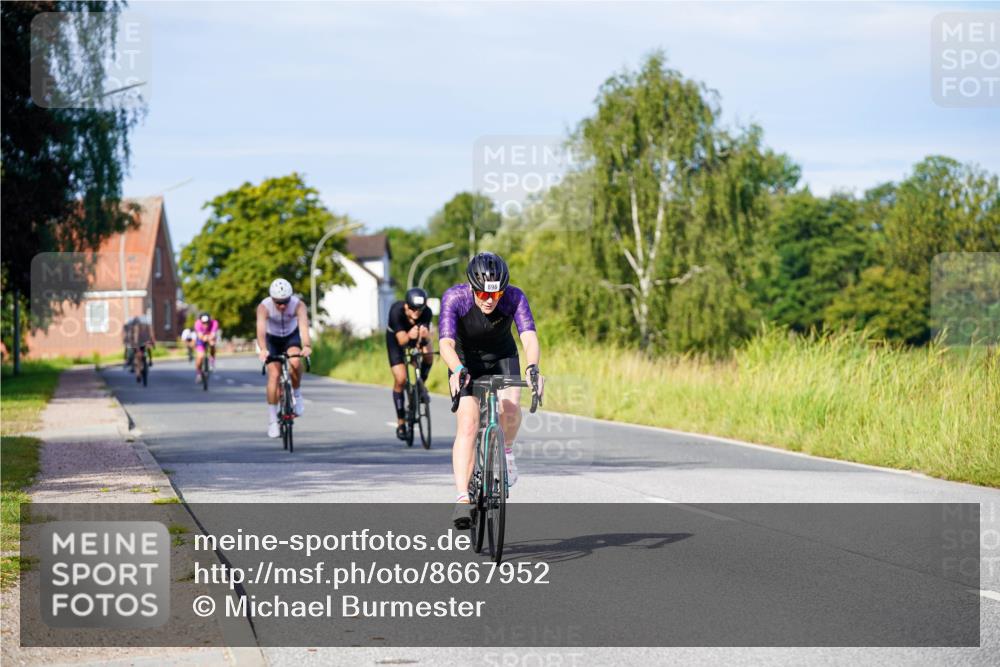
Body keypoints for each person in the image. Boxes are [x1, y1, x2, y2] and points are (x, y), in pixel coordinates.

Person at [438, 252, 543, 528]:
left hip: (501, 356)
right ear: (471, 287)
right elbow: (445, 344)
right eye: (482, 294)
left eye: (494, 295)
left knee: (509, 408)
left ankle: (506, 452)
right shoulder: (454, 298)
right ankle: (463, 498)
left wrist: (532, 367)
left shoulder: (514, 297)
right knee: (469, 424)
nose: (488, 300)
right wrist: (458, 370)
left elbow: (529, 337)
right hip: (464, 359)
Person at [256, 278, 312, 438]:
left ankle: (297, 394)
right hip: (271, 338)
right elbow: (260, 331)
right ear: (272, 299)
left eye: (285, 302)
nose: (282, 306)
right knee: (274, 374)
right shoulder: (263, 307)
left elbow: (303, 328)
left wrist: (307, 345)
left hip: (290, 336)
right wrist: (263, 349)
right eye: (278, 302)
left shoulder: (298, 305)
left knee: (295, 361)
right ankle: (273, 420)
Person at [386, 287, 435, 440]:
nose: (416, 313)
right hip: (396, 339)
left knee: (429, 356)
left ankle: (421, 385)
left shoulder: (426, 312)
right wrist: (410, 334)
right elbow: (402, 340)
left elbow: (425, 339)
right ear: (406, 306)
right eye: (413, 309)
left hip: (415, 337)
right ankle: (401, 422)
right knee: (400, 378)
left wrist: (425, 339)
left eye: (419, 309)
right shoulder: (396, 311)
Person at [194, 312, 220, 382]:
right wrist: (203, 337)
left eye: (207, 323)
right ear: (201, 322)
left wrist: (209, 337)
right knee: (200, 357)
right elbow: (199, 335)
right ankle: (199, 373)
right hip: (201, 339)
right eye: (204, 323)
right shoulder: (197, 323)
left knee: (212, 344)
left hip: (210, 337)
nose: (205, 325)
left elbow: (213, 334)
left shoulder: (214, 323)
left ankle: (212, 360)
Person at [129, 315, 156, 383]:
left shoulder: (138, 326)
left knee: (137, 357)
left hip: (140, 343)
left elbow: (151, 335)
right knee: (139, 355)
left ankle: (138, 371)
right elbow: (151, 335)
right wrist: (153, 344)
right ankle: (149, 361)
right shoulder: (146, 326)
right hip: (141, 343)